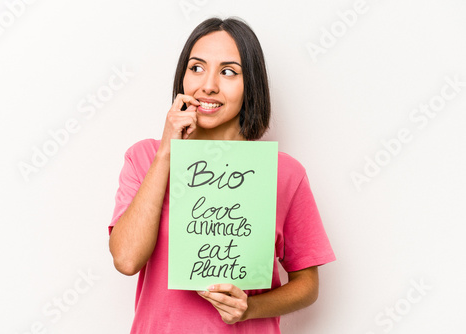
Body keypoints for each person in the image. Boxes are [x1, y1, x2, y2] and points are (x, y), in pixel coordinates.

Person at [108, 17, 335, 333]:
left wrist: (250, 309)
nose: (209, 85)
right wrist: (166, 151)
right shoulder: (145, 157)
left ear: (250, 84)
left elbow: (307, 283)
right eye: (197, 68)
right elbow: (127, 260)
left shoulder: (284, 173)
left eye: (228, 72)